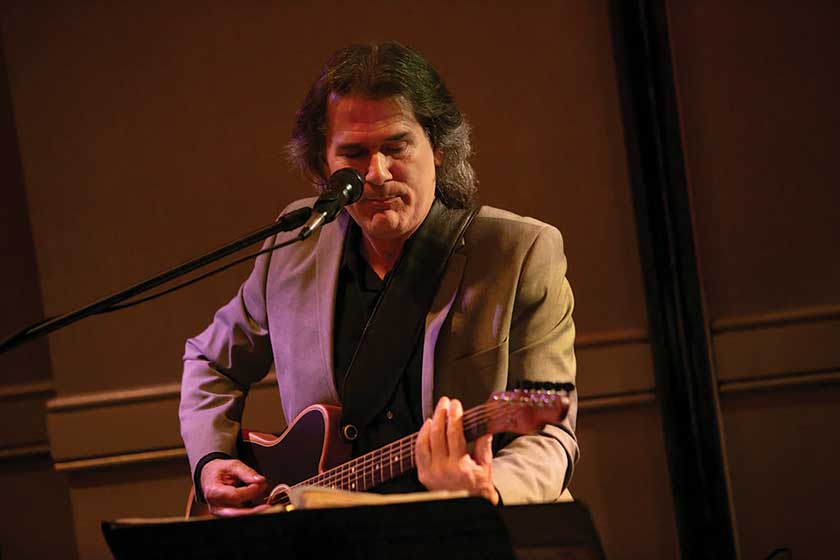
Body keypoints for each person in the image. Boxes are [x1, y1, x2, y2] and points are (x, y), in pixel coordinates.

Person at [179, 41, 578, 517]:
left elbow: (551, 437)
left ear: (439, 149)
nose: (377, 173)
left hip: (465, 532)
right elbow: (211, 361)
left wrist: (485, 490)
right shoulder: (295, 245)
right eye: (354, 153)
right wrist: (210, 460)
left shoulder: (520, 251)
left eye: (396, 147)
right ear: (322, 165)